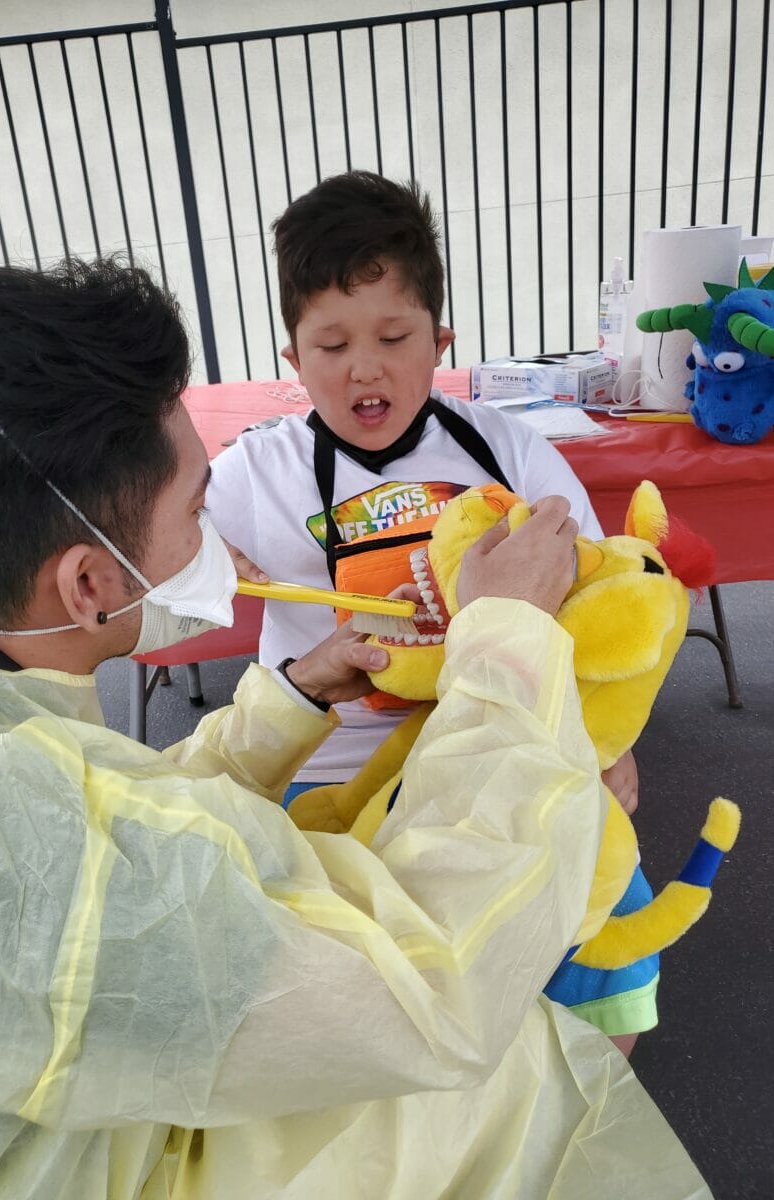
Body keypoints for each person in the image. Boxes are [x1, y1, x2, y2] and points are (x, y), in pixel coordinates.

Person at [0, 259, 708, 1200]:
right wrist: (506, 644)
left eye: (396, 338)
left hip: (92, 1110)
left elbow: (122, 809)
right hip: (127, 1160)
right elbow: (431, 988)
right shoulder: (42, 853)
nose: (217, 543)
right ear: (88, 583)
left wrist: (294, 695)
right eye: (196, 511)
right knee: (505, 1075)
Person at [206, 171, 652, 1047]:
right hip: (332, 762)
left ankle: (594, 1097)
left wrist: (610, 742)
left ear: (439, 342)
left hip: (507, 739)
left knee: (603, 936)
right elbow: (145, 564)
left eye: (393, 336)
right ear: (292, 361)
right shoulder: (254, 473)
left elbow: (603, 597)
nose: (363, 368)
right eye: (330, 346)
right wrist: (197, 557)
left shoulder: (507, 449)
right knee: (356, 989)